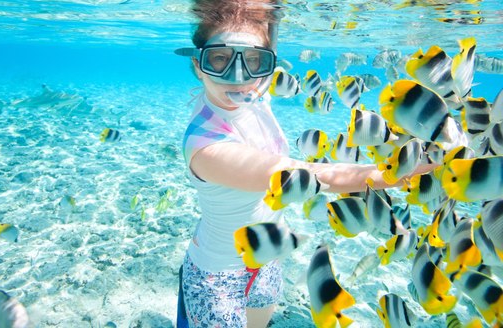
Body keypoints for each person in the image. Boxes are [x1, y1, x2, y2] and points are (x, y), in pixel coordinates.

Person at [175, 1, 435, 327]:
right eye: (219, 59)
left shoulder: (254, 94)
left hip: (268, 257)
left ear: (269, 66)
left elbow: (264, 48)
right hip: (217, 276)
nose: (239, 77)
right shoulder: (207, 147)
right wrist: (393, 173)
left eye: (255, 60)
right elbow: (310, 176)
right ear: (199, 65)